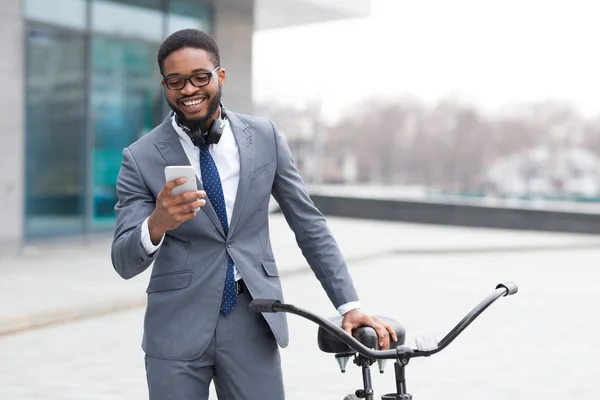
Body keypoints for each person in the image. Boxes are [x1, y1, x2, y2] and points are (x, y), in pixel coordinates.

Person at [111, 28, 397, 400]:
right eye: (175, 81)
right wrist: (157, 224)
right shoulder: (140, 156)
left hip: (252, 319)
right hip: (176, 326)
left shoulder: (264, 137)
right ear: (164, 85)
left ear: (220, 76)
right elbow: (123, 260)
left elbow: (308, 224)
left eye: (200, 77)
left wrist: (349, 304)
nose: (188, 90)